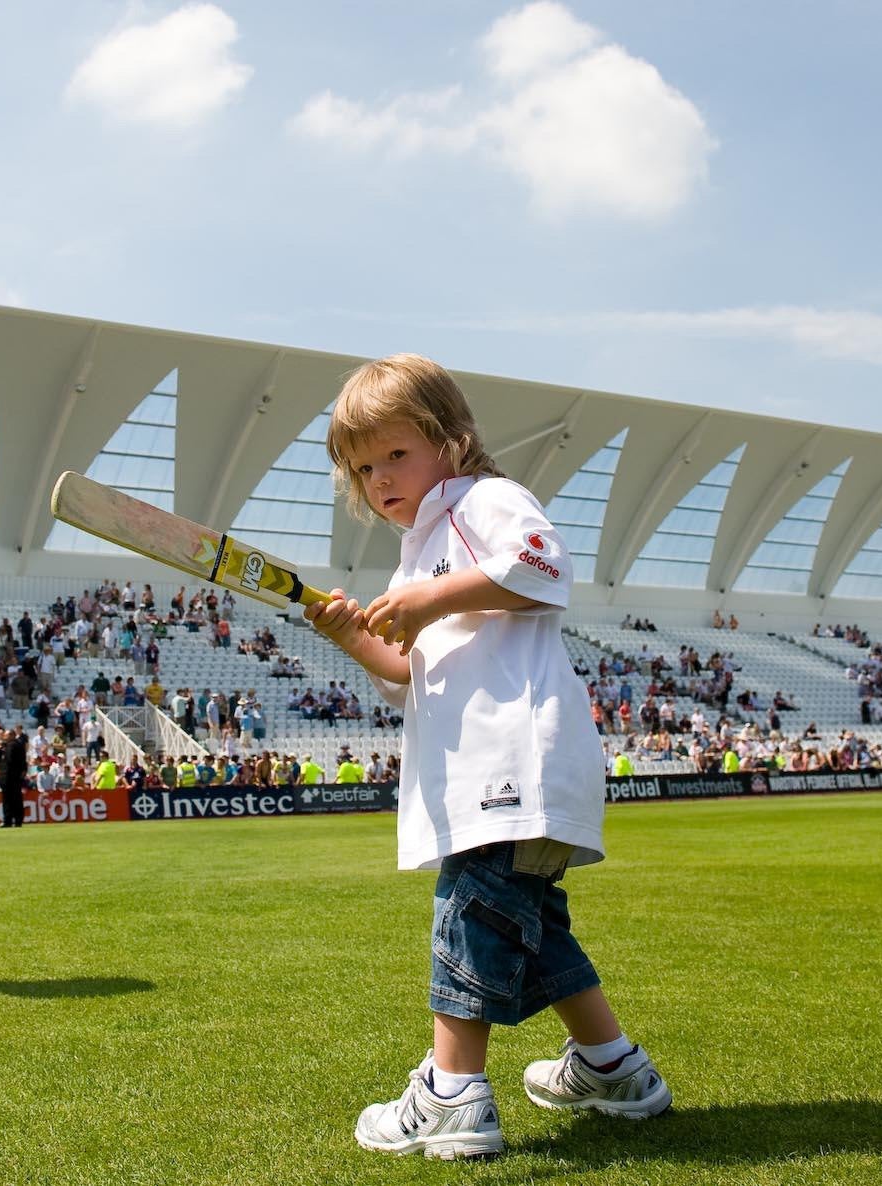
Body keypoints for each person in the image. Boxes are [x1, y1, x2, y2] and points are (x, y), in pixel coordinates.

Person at [308, 354, 669, 1160]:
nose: (379, 479)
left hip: (510, 762)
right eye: (363, 468)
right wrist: (356, 637)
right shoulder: (421, 550)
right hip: (496, 771)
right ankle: (613, 1068)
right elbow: (413, 669)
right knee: (532, 925)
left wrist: (431, 596)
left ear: (452, 440)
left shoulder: (484, 501)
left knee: (467, 913)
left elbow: (544, 567)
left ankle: (452, 1094)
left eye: (395, 454)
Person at [0, 726, 28, 829]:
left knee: (7, 800)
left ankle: (7, 821)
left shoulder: (10, 746)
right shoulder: (20, 745)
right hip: (16, 778)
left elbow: (7, 761)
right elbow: (23, 763)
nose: (4, 737)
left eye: (6, 735)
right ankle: (18, 821)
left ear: (11, 735)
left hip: (8, 777)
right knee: (17, 799)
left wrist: (0, 752)